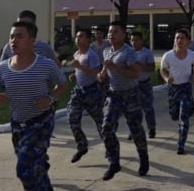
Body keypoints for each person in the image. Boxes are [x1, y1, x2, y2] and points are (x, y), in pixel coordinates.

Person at [0, 21, 67, 191]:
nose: (13, 41)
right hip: (18, 124)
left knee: (24, 169)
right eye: (11, 36)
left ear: (32, 41)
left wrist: (50, 98)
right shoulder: (3, 67)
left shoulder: (45, 65)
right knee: (36, 168)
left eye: (19, 36)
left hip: (40, 122)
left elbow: (62, 84)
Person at [96, 21, 149, 181]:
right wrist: (101, 75)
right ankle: (114, 162)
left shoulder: (128, 52)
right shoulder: (106, 51)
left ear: (124, 35)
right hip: (114, 95)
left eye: (116, 32)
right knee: (106, 128)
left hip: (131, 94)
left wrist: (116, 68)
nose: (111, 34)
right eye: (110, 32)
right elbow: (104, 71)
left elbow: (135, 74)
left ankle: (143, 157)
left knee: (136, 130)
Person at [160, 29, 194, 154]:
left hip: (185, 88)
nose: (179, 40)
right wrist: (167, 78)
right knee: (174, 115)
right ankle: (191, 105)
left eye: (182, 38)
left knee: (184, 117)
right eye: (177, 38)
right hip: (173, 89)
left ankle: (181, 145)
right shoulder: (168, 55)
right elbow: (163, 69)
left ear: (187, 41)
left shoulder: (192, 55)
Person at [67, 29, 104, 164]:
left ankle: (110, 147)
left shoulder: (91, 55)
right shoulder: (76, 54)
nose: (78, 39)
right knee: (72, 117)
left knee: (101, 122)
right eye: (77, 36)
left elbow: (96, 72)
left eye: (81, 36)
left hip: (92, 91)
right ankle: (82, 145)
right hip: (79, 91)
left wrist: (80, 68)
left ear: (88, 40)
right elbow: (79, 71)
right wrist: (74, 75)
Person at [129, 31, 157, 139]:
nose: (134, 42)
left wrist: (142, 67)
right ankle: (134, 130)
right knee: (133, 109)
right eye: (132, 40)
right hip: (132, 84)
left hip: (144, 84)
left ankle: (151, 128)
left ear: (141, 41)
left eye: (136, 40)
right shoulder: (128, 52)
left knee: (148, 107)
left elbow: (152, 68)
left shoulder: (147, 53)